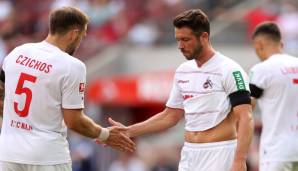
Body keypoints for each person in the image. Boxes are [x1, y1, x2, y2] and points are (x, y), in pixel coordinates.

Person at [108, 9, 254, 171]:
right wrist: (130, 131)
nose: (180, 46)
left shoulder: (230, 70)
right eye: (178, 40)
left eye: (186, 39)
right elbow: (170, 116)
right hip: (189, 154)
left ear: (204, 37)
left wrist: (240, 160)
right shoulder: (183, 71)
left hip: (219, 153)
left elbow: (246, 117)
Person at [0, 6, 135, 171]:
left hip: (8, 153)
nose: (80, 42)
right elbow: (74, 121)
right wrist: (105, 134)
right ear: (74, 33)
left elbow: (1, 92)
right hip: (47, 156)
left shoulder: (17, 53)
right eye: (82, 36)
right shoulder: (72, 66)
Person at [249, 21, 298, 171]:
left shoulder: (261, 70)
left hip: (277, 150)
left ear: (259, 45)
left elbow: (246, 106)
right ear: (281, 44)